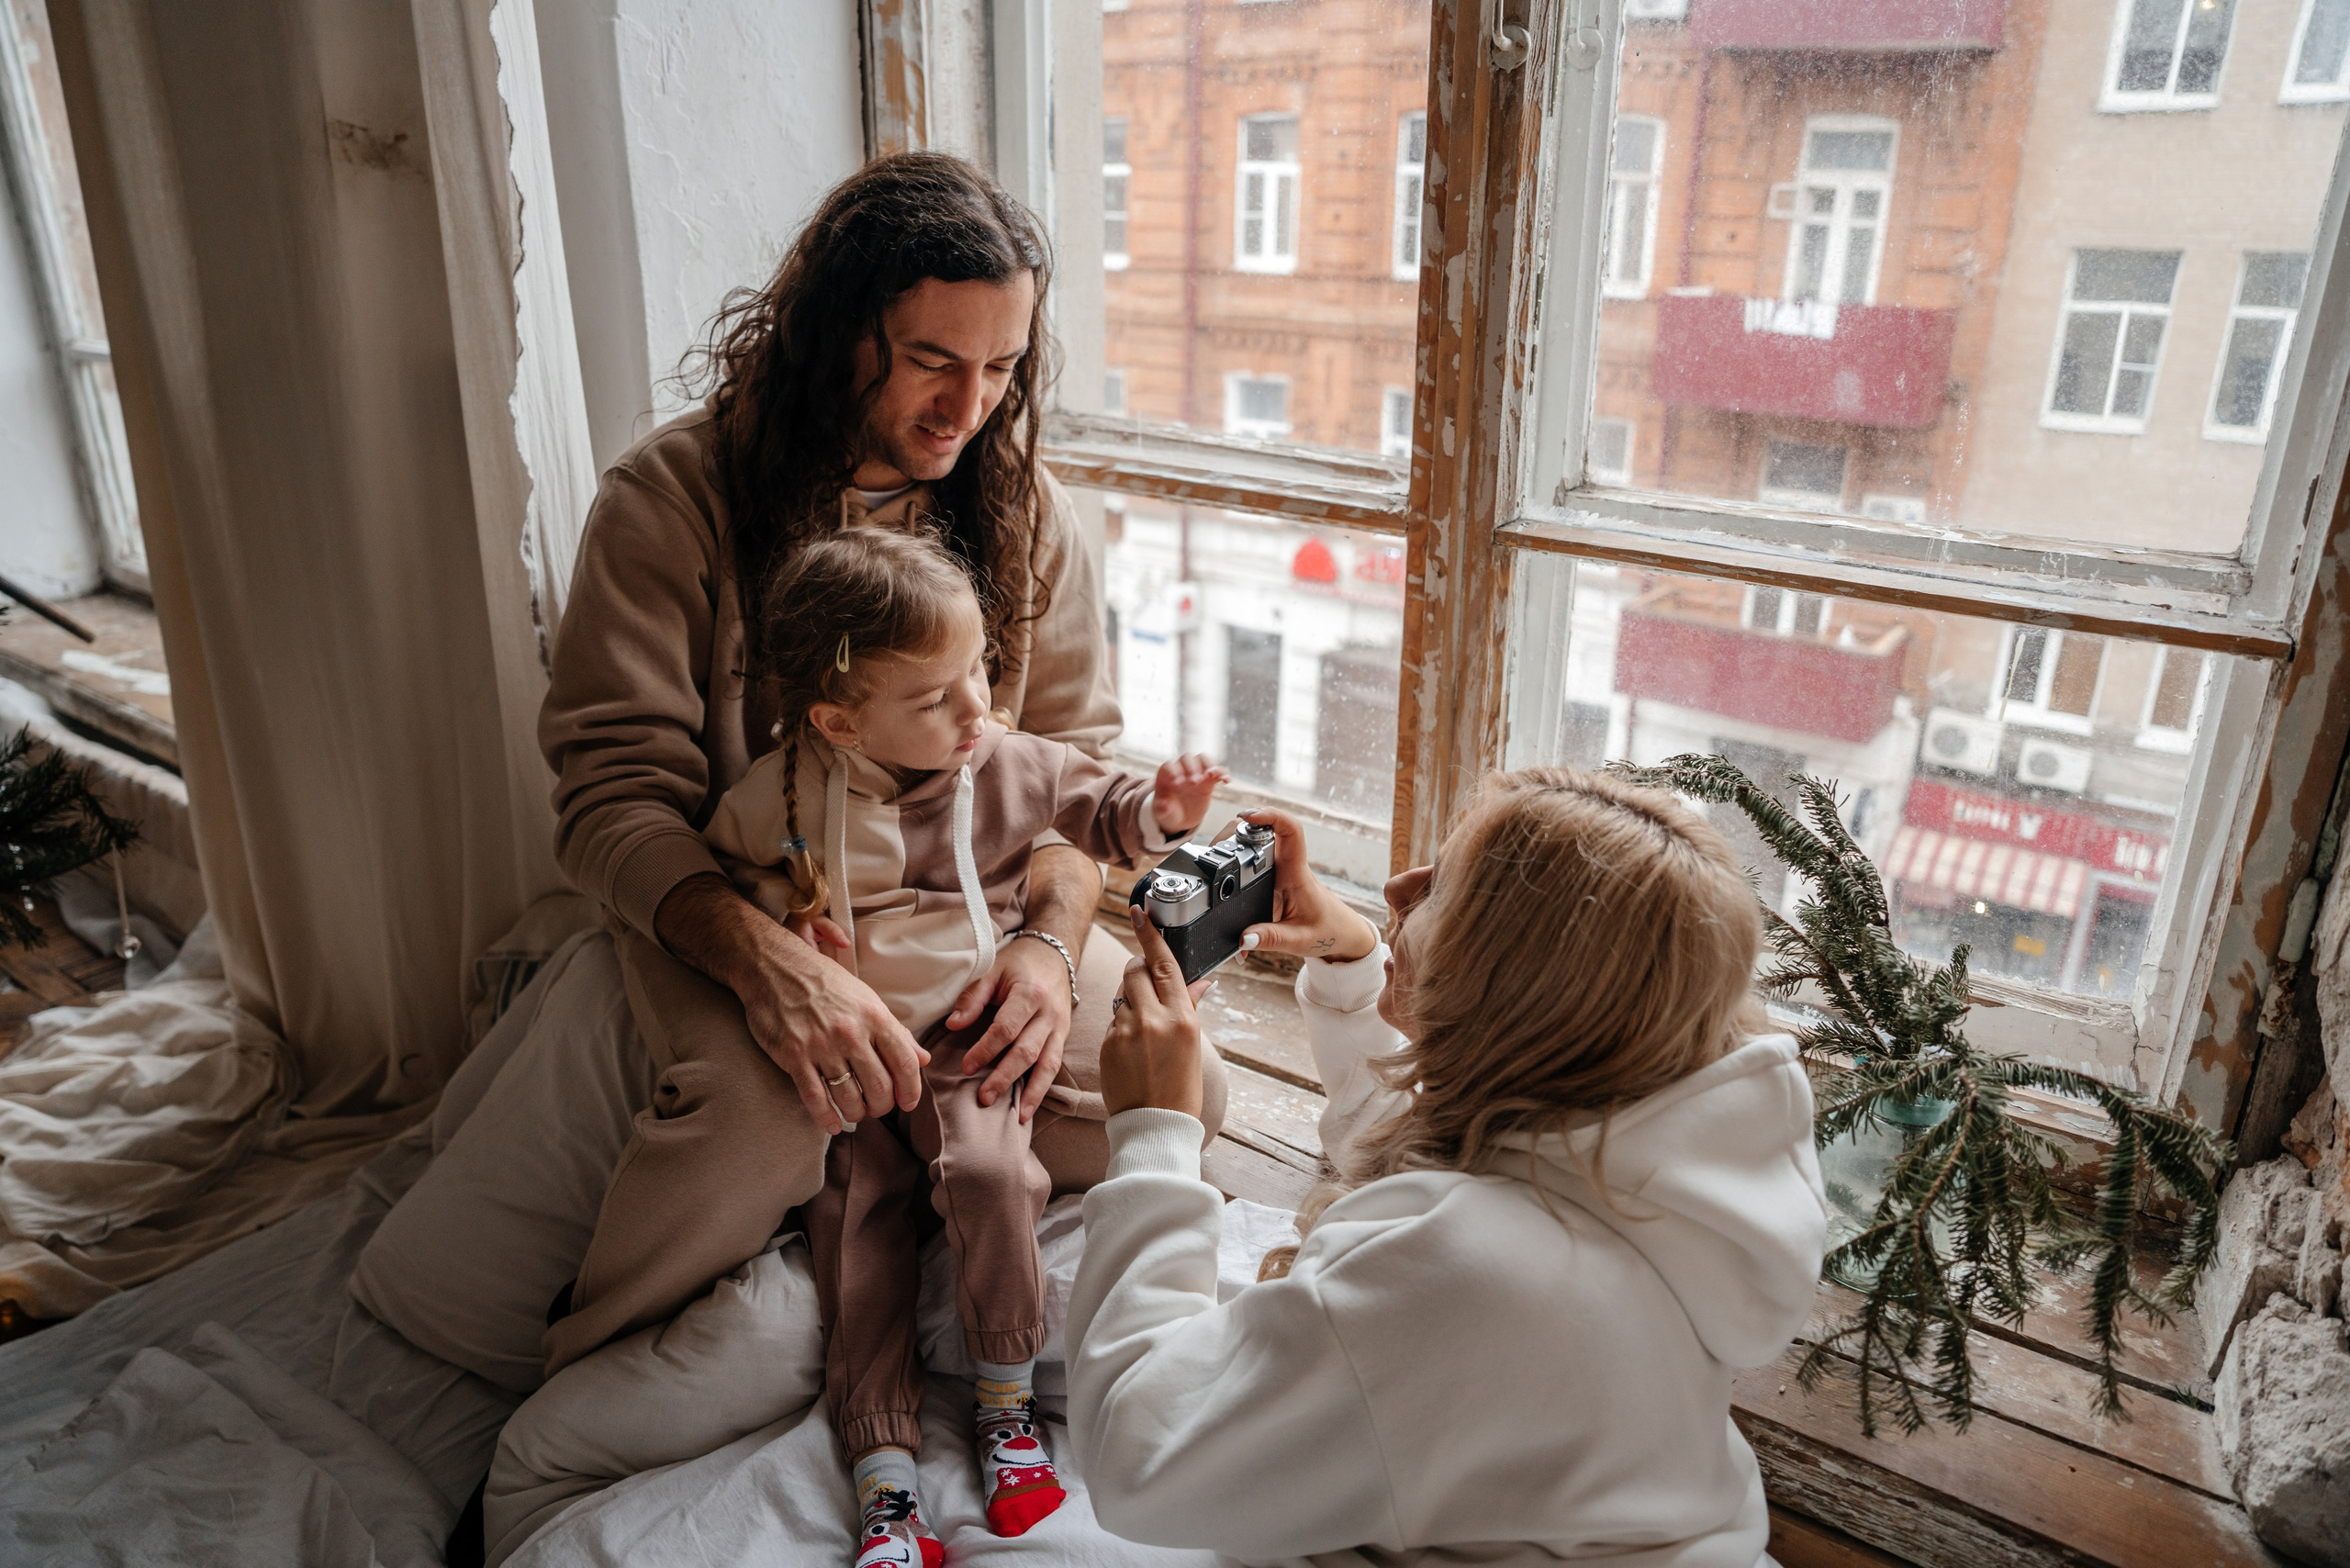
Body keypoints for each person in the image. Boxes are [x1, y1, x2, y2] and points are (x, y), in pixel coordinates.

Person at [536, 151, 1225, 1376]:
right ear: (832, 335)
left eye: (1003, 369)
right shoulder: (671, 502)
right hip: (762, 904)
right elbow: (609, 800)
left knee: (1185, 1096)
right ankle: (579, 1364)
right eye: (931, 362)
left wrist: (1047, 948)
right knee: (761, 1125)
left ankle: (884, 1197)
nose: (971, 411)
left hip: (979, 911)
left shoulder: (1022, 510)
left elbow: (1072, 774)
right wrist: (767, 969)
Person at [1068, 772, 1830, 1567]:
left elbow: (1137, 1453)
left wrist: (1155, 1133)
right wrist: (1361, 963)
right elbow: (1454, 1153)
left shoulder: (1469, 1276)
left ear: (1514, 986)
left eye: (1443, 890)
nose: (1398, 886)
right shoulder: (1651, 1160)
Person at [697, 527, 1225, 1568]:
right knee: (855, 1235)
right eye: (936, 695)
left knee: (992, 1174)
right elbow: (731, 874)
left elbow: (1095, 803)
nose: (975, 706)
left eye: (977, 668)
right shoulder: (781, 795)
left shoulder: (999, 763)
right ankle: (883, 1480)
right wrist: (780, 916)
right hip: (857, 1063)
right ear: (838, 720)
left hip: (959, 1044)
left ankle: (1003, 1400)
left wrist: (1160, 814)